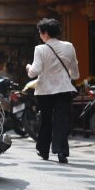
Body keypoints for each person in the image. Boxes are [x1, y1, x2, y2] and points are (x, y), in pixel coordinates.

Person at [26, 18, 79, 164]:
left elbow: (34, 72)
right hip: (64, 89)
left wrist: (28, 67)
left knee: (46, 120)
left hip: (45, 91)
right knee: (62, 121)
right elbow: (75, 72)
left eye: (40, 32)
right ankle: (61, 152)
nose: (40, 35)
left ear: (46, 33)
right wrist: (71, 76)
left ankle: (43, 150)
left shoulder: (40, 49)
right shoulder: (69, 46)